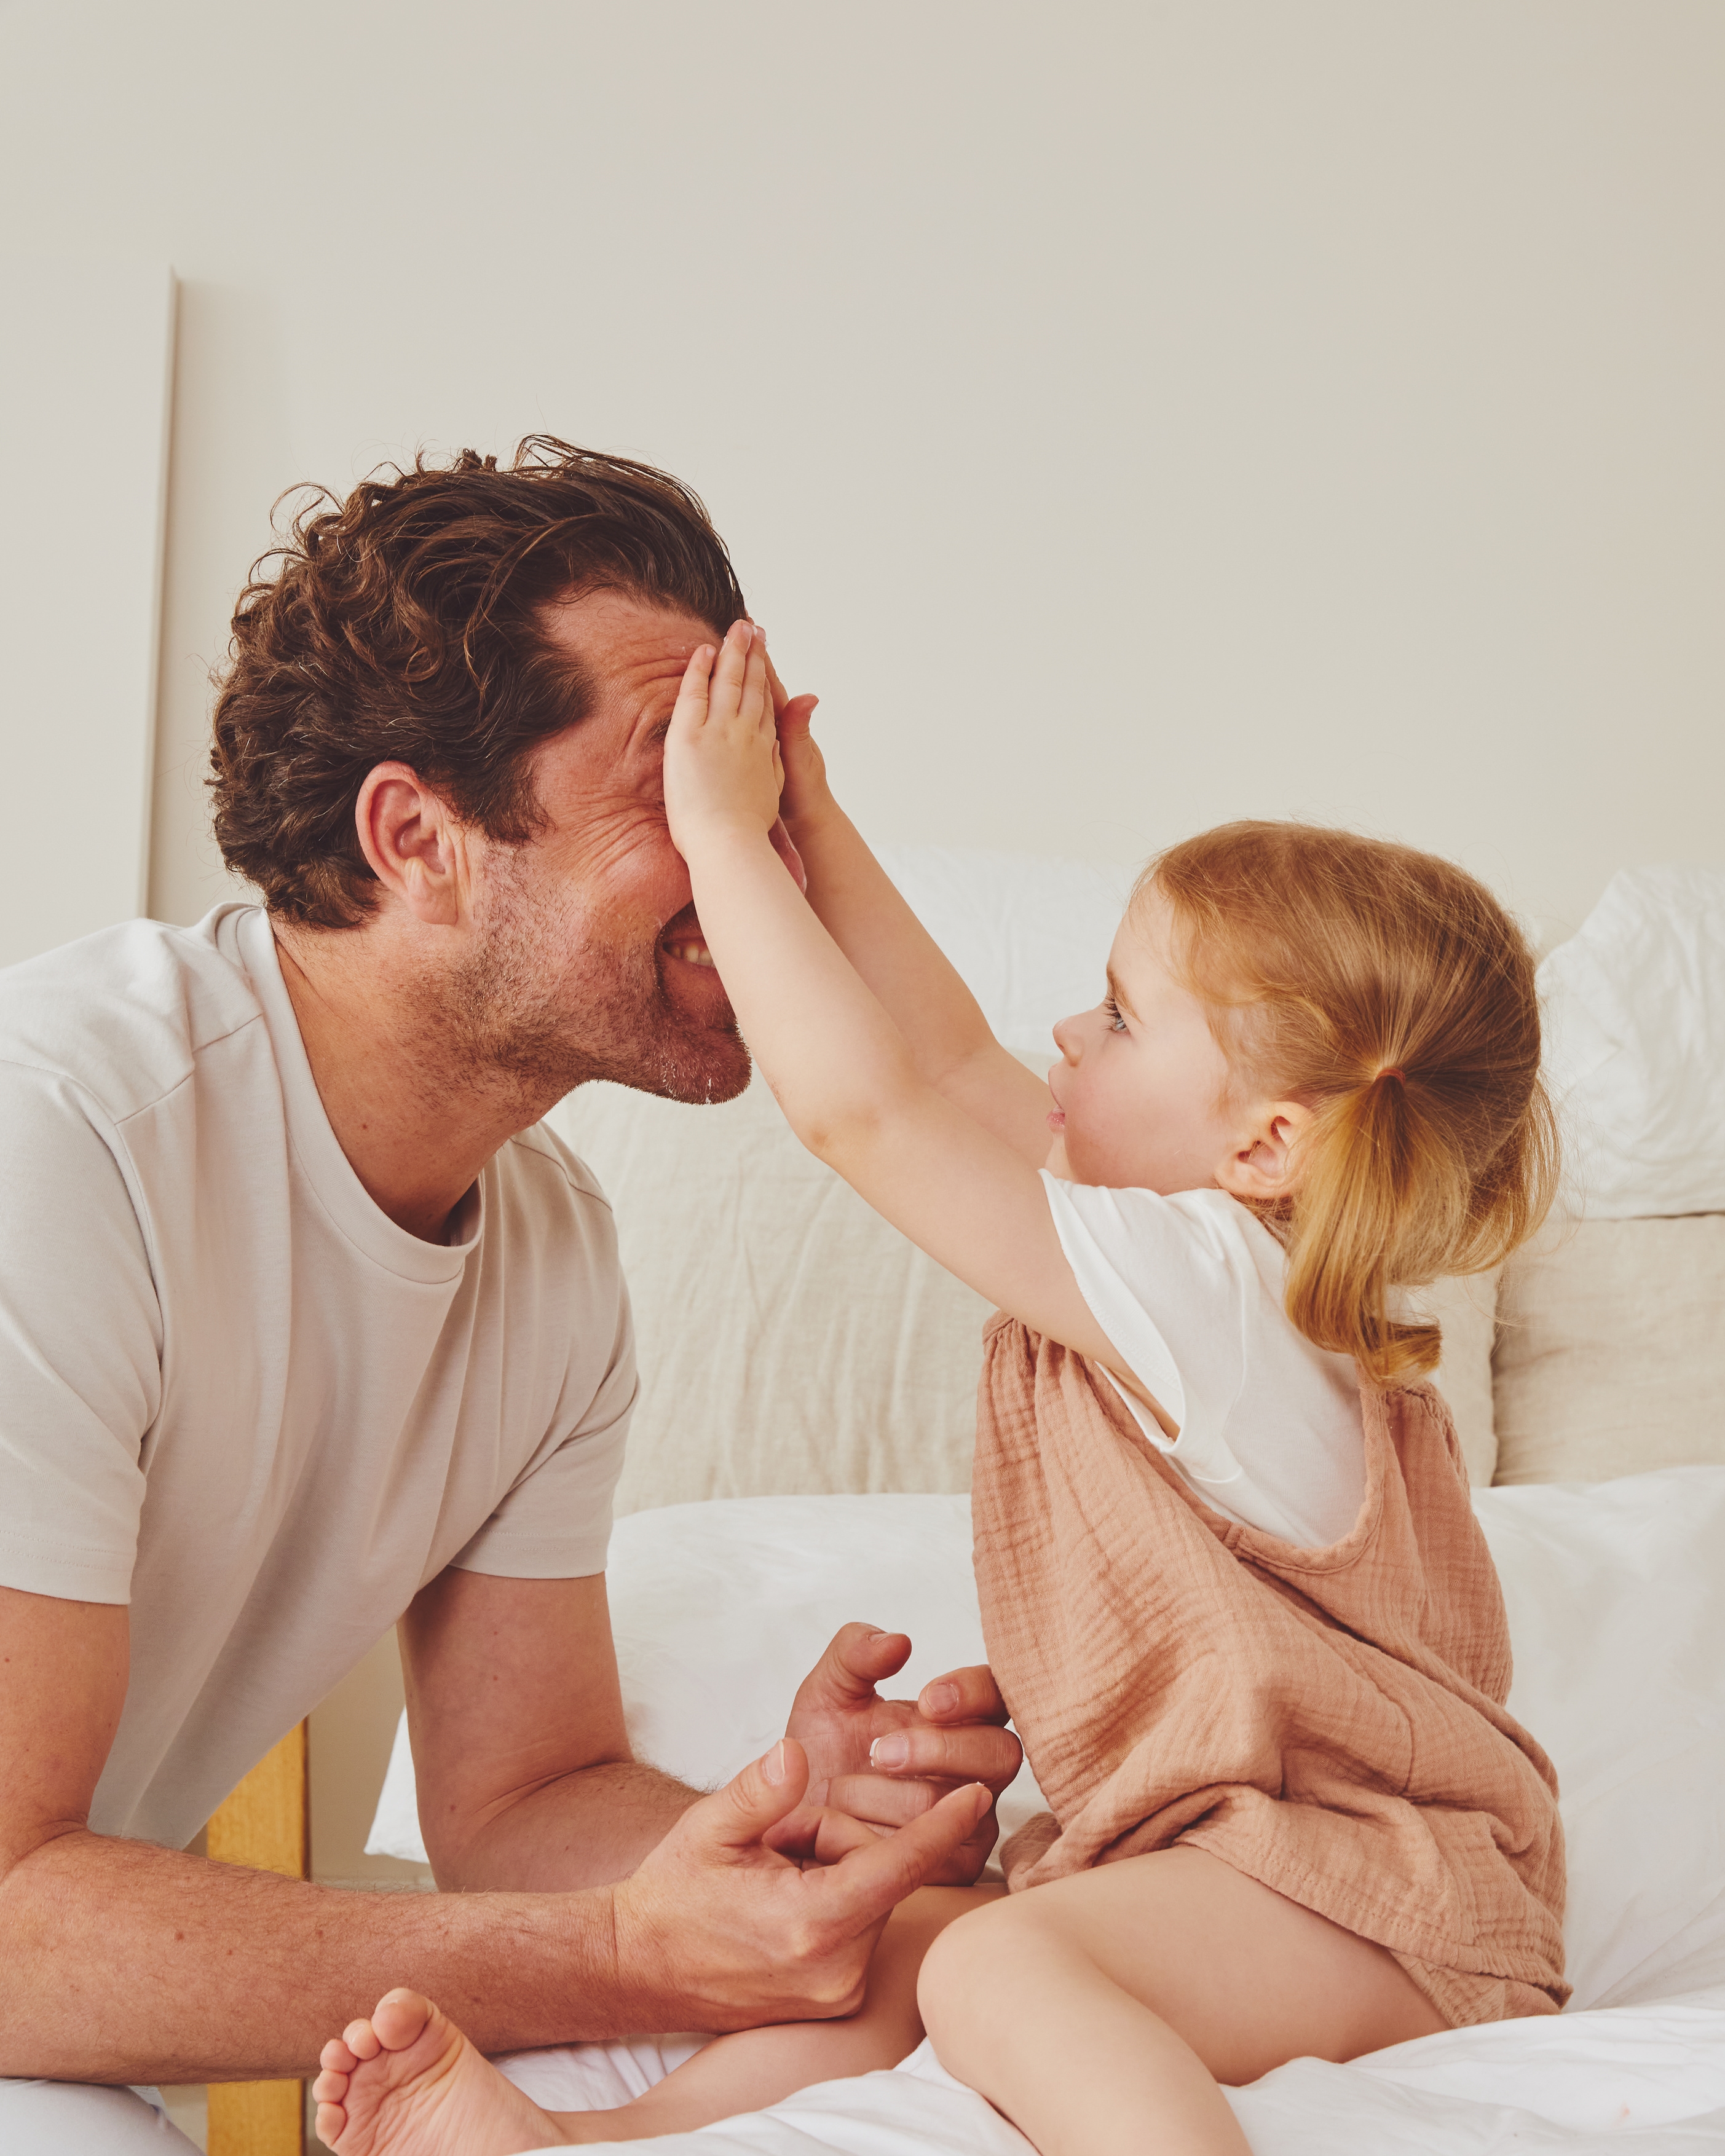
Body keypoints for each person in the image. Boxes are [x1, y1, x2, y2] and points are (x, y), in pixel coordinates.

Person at [313, 620, 1568, 2156]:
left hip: (1384, 1901)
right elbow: (948, 1055)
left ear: (1260, 1144)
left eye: (1120, 1016)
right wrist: (812, 821)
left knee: (993, 1963)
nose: (1065, 1031)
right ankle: (594, 2143)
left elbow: (872, 1109)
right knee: (886, 1937)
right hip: (1242, 1870)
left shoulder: (1207, 1292)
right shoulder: (1187, 1268)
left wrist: (724, 841)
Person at [0, 449, 1024, 2152]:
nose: (756, 855)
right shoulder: (59, 1140)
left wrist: (780, 1830)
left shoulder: (546, 1252)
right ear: (418, 838)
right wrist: (621, 1953)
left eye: (756, 784)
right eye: (680, 782)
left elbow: (520, 1797)